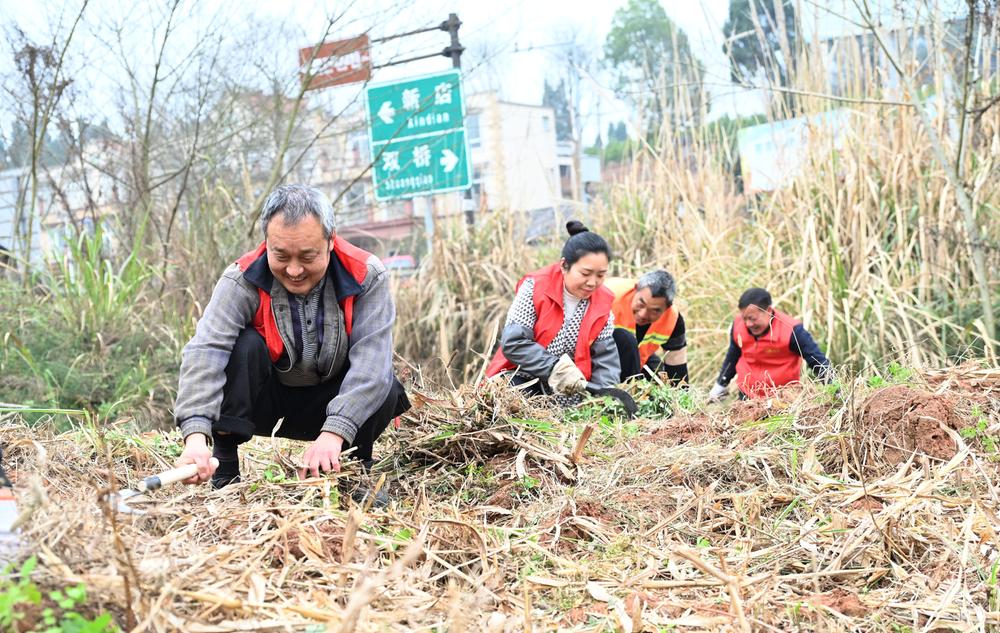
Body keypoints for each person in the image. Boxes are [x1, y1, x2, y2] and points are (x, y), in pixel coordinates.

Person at [173, 184, 410, 495]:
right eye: (281, 255)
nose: (294, 270)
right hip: (268, 403)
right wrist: (194, 436)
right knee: (242, 346)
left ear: (330, 240)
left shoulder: (367, 275)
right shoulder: (240, 280)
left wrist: (334, 433)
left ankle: (354, 470)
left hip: (329, 404)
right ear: (267, 243)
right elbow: (206, 351)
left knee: (385, 384)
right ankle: (225, 468)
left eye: (307, 256)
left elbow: (371, 366)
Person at [485, 221, 620, 405]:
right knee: (512, 404)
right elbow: (514, 343)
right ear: (564, 266)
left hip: (571, 387)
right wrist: (554, 368)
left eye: (600, 275)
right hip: (524, 379)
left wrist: (604, 397)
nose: (592, 282)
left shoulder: (603, 303)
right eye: (585, 273)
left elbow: (605, 360)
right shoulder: (535, 288)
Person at [709, 287, 831, 401]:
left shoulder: (791, 330)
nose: (748, 324)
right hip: (747, 399)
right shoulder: (738, 326)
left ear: (768, 310)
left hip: (783, 399)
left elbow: (817, 361)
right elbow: (732, 357)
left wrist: (834, 388)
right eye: (744, 318)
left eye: (752, 318)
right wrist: (719, 386)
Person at [605, 270, 689, 385]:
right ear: (636, 289)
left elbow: (677, 370)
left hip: (639, 360)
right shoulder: (609, 296)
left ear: (667, 308)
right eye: (641, 304)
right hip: (600, 359)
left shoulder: (673, 320)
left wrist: (679, 400)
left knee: (660, 384)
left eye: (655, 310)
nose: (643, 314)